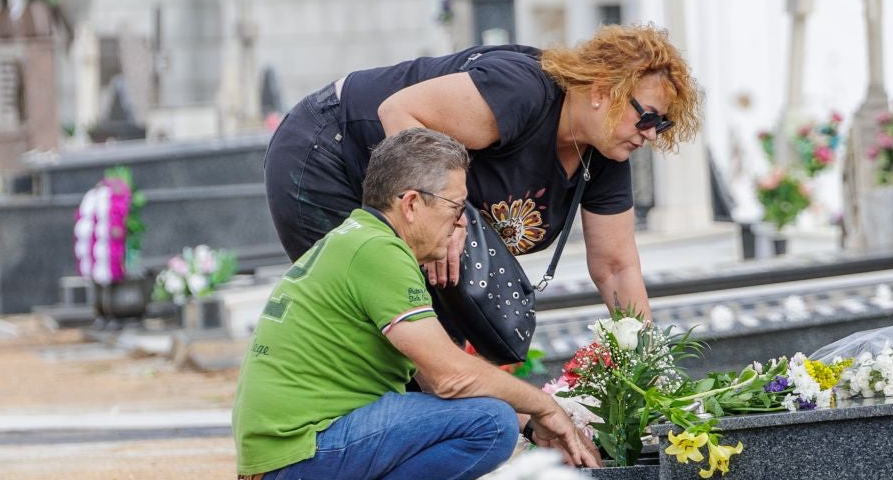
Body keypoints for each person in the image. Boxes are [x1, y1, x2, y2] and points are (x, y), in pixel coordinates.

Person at [234, 127, 598, 480]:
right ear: (410, 204)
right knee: (490, 423)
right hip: (301, 461)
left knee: (491, 414)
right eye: (454, 207)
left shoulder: (359, 238)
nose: (463, 221)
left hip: (288, 460)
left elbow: (431, 376)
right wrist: (546, 408)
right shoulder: (378, 252)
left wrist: (534, 423)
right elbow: (451, 378)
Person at [263, 23, 702, 321]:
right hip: (330, 149)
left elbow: (616, 268)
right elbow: (398, 110)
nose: (651, 134)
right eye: (647, 117)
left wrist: (652, 371)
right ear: (603, 92)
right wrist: (446, 217)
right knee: (380, 326)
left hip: (396, 186)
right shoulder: (523, 90)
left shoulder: (604, 154)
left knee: (435, 339)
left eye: (662, 126)